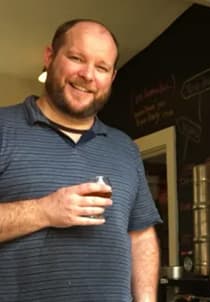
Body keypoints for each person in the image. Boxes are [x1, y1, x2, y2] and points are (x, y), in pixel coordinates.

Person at [0, 19, 162, 302]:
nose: (88, 75)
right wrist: (44, 210)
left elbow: (141, 236)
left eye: (102, 67)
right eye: (76, 58)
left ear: (112, 77)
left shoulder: (125, 147)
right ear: (50, 57)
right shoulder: (4, 128)